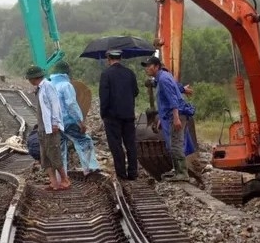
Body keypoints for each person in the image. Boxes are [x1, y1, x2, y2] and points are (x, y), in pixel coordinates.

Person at [141, 56, 195, 181]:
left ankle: (182, 173)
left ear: (157, 67)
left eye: (149, 66)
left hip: (176, 114)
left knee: (175, 144)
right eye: (146, 66)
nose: (147, 69)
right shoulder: (162, 78)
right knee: (173, 144)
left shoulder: (163, 80)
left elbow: (173, 99)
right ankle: (177, 170)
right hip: (171, 114)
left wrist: (176, 118)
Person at [49, 60, 100, 176]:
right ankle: (91, 168)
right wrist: (80, 121)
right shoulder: (66, 85)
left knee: (61, 149)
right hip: (68, 121)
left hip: (55, 124)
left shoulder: (50, 85)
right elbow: (71, 104)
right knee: (84, 140)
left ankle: (61, 177)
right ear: (67, 73)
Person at [25, 65, 71, 190]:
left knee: (54, 154)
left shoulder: (48, 86)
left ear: (33, 78)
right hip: (42, 127)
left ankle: (65, 179)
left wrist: (55, 122)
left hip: (50, 127)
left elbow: (55, 105)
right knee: (45, 157)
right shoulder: (40, 88)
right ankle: (54, 182)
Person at [99, 50, 139, 180]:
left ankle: (121, 174)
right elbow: (136, 92)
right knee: (130, 144)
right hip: (128, 115)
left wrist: (103, 113)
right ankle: (133, 173)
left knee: (116, 145)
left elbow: (104, 97)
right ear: (121, 58)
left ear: (108, 58)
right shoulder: (130, 73)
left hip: (112, 116)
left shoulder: (106, 74)